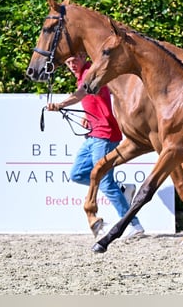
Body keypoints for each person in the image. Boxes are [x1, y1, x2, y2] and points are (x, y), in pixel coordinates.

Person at [47, 52, 144, 240]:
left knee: (105, 182)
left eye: (74, 60)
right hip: (92, 135)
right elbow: (96, 99)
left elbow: (83, 92)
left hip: (105, 134)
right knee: (77, 174)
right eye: (68, 62)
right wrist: (87, 115)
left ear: (83, 56)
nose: (71, 64)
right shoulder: (82, 74)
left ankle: (134, 224)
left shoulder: (91, 72)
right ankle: (123, 189)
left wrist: (61, 104)